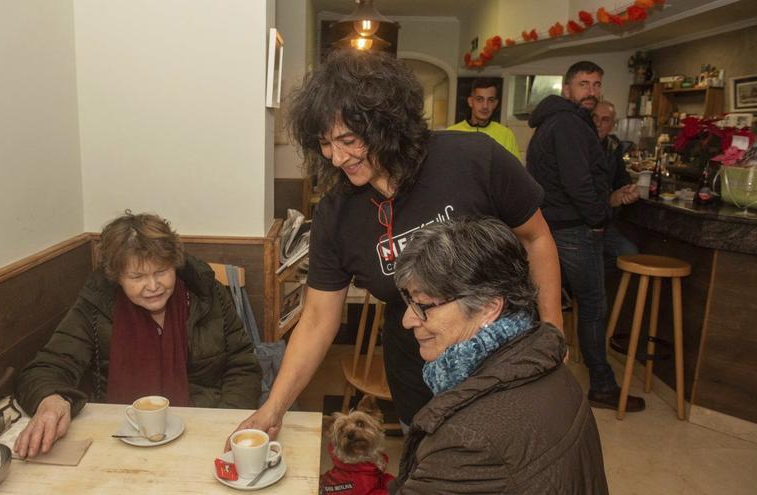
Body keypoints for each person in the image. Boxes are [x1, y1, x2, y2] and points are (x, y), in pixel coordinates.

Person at [232, 49, 562, 440]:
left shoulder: (473, 158)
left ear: (387, 124)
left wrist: (552, 330)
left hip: (505, 362)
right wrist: (274, 407)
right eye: (324, 143)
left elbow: (536, 237)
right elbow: (319, 319)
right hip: (418, 375)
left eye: (348, 140)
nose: (336, 157)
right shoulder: (337, 214)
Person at [15, 212, 262, 458]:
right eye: (137, 276)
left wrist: (219, 424)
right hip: (122, 436)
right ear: (118, 277)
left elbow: (243, 367)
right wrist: (51, 399)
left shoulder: (208, 295)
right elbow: (46, 368)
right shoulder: (96, 305)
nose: (153, 286)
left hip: (203, 432)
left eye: (162, 271)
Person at [389, 217, 608, 494]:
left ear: (489, 307)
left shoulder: (467, 443)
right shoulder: (541, 358)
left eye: (423, 305)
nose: (408, 321)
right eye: (409, 301)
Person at [526, 61, 644, 412]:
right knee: (592, 305)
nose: (591, 91)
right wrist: (598, 217)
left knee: (568, 300)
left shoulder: (560, 121)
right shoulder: (567, 124)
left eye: (596, 84)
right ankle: (603, 386)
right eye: (583, 84)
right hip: (572, 227)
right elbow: (578, 182)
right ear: (567, 89)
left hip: (555, 226)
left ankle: (540, 379)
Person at [592, 100, 639, 271]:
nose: (598, 124)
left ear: (612, 125)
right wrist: (609, 200)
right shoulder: (577, 144)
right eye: (594, 117)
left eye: (605, 120)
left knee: (629, 254)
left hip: (603, 224)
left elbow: (622, 179)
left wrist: (628, 190)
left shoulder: (613, 146)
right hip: (579, 225)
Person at [447, 78, 522, 161]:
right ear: (470, 101)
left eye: (490, 100)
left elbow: (516, 171)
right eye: (479, 99)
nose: (485, 106)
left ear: (495, 104)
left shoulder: (506, 135)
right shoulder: (451, 133)